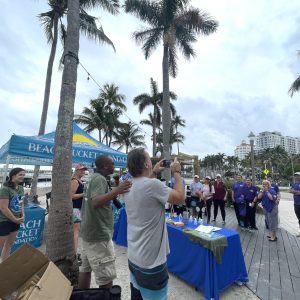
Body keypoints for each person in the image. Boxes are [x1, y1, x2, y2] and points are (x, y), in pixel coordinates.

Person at [124, 148, 185, 300]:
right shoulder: (153, 185)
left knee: (137, 296)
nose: (151, 162)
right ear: (146, 164)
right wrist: (176, 173)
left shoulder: (128, 185)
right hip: (151, 263)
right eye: (149, 160)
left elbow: (143, 185)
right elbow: (180, 198)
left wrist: (154, 172)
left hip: (134, 257)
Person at [79, 155, 132, 289]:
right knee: (105, 275)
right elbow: (96, 202)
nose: (114, 166)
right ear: (105, 166)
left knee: (86, 269)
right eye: (112, 164)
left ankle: (82, 296)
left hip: (89, 232)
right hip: (98, 234)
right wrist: (117, 190)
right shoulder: (99, 179)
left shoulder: (92, 177)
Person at [0, 168, 25, 261]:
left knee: (9, 245)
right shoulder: (5, 189)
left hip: (16, 221)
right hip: (4, 221)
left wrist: (23, 215)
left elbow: (21, 203)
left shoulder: (21, 188)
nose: (23, 177)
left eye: (23, 175)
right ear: (13, 176)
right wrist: (14, 219)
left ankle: (5, 265)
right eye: (20, 175)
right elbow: (3, 207)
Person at [70, 164, 87, 257]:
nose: (83, 171)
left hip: (78, 208)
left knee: (76, 231)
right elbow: (71, 196)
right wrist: (84, 194)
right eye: (81, 170)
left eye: (84, 170)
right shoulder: (75, 181)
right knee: (75, 231)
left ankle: (74, 252)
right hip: (74, 209)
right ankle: (74, 254)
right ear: (76, 170)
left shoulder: (79, 181)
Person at [289, 172, 300, 237]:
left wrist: (294, 192)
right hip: (296, 204)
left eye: (298, 176)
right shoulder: (294, 184)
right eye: (295, 176)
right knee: (299, 218)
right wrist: (297, 192)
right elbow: (290, 191)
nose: (296, 177)